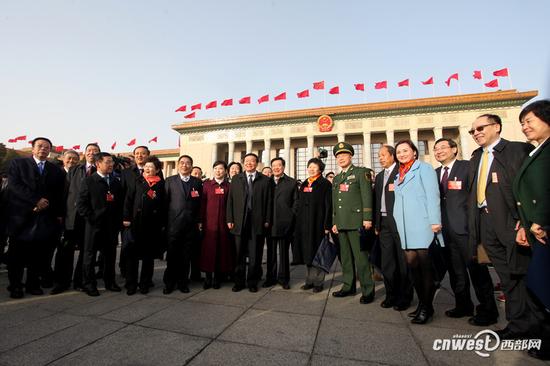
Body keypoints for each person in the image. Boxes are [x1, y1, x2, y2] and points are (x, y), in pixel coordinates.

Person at [468, 114, 535, 339]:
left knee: (520, 274)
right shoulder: (477, 156)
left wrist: (525, 220)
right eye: (472, 131)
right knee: (506, 277)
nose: (476, 133)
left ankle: (532, 325)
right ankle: (518, 325)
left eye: (480, 128)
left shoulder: (517, 150)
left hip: (511, 222)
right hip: (486, 222)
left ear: (496, 127)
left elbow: (529, 187)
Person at [434, 138, 498, 325]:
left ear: (454, 149)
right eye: (436, 149)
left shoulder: (468, 167)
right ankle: (463, 305)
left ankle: (488, 310)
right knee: (456, 271)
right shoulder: (435, 173)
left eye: (443, 148)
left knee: (478, 271)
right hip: (445, 232)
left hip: (470, 231)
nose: (439, 151)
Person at [512, 100, 550, 360]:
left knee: (540, 284)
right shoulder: (537, 151)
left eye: (529, 121)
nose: (525, 127)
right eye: (522, 123)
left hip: (544, 228)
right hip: (534, 227)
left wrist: (538, 219)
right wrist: (523, 222)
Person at [6, 137, 65, 299]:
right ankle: (15, 285)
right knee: (16, 255)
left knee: (38, 255)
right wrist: (35, 201)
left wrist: (47, 205)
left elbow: (58, 193)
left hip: (45, 218)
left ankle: (33, 283)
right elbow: (14, 186)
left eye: (47, 147)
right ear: (32, 149)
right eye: (39, 146)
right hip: (21, 216)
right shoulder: (18, 164)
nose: (43, 149)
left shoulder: (55, 170)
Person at [393, 139, 442, 324]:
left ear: (414, 152)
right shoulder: (400, 174)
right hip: (406, 227)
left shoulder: (424, 168)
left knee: (425, 268)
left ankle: (427, 308)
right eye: (399, 152)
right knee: (413, 268)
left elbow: (432, 194)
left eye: (405, 150)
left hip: (422, 224)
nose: (402, 154)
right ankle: (422, 304)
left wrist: (435, 221)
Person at [52, 143, 100, 294]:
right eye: (89, 150)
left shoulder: (101, 171)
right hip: (72, 216)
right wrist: (61, 214)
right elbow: (65, 193)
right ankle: (62, 282)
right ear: (84, 153)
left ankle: (81, 281)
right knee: (65, 250)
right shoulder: (74, 170)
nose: (92, 153)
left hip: (90, 218)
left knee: (87, 251)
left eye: (95, 151)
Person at [331, 142, 375, 304]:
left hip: (357, 222)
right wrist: (334, 222)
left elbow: (366, 196)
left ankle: (368, 290)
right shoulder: (337, 178)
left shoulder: (360, 173)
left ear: (350, 156)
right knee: (346, 258)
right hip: (342, 223)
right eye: (338, 156)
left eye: (344, 155)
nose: (341, 158)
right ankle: (348, 286)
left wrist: (367, 218)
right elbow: (335, 202)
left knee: (361, 258)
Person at [77, 152, 124, 296]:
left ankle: (110, 282)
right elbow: (81, 204)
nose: (111, 165)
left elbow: (119, 203)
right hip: (94, 226)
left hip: (111, 226)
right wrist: (92, 218)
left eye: (112, 162)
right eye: (108, 162)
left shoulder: (116, 182)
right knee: (90, 256)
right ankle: (89, 284)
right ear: (98, 164)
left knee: (109, 255)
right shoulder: (89, 181)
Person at [226, 153, 272, 292]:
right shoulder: (236, 179)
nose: (249, 163)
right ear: (243, 163)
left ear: (257, 163)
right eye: (246, 161)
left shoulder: (264, 180)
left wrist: (267, 219)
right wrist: (230, 218)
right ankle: (239, 281)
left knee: (255, 253)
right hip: (239, 221)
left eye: (252, 161)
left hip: (257, 222)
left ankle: (252, 281)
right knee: (239, 253)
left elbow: (269, 202)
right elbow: (230, 200)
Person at [374, 145, 413, 311]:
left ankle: (405, 297)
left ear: (392, 156)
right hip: (383, 223)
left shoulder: (402, 171)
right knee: (387, 261)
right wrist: (377, 223)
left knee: (403, 261)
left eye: (383, 155)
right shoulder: (380, 176)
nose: (380, 158)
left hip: (399, 221)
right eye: (379, 156)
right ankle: (391, 294)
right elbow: (376, 200)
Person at [122, 156, 165, 295]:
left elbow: (164, 204)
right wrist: (126, 217)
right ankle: (131, 284)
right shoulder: (137, 181)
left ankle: (145, 283)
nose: (147, 169)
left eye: (151, 167)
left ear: (157, 170)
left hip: (152, 225)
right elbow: (128, 200)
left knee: (148, 257)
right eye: (146, 166)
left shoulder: (161, 185)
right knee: (132, 256)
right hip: (135, 223)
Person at [163, 155, 202, 294]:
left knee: (186, 257)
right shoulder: (169, 181)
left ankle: (183, 283)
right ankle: (169, 283)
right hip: (173, 226)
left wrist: (198, 221)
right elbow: (165, 203)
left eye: (188, 163)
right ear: (178, 165)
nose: (185, 165)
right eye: (182, 163)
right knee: (172, 257)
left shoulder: (197, 182)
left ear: (191, 166)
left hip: (190, 226)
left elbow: (199, 204)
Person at [295, 158, 332, 292]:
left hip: (318, 224)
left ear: (320, 169)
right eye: (309, 167)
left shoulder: (325, 184)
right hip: (304, 225)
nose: (311, 169)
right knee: (308, 253)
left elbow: (329, 205)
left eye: (314, 167)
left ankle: (318, 282)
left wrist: (327, 225)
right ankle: (309, 280)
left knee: (319, 253)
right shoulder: (305, 183)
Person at [265, 157, 298, 289]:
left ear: (283, 167)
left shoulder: (291, 182)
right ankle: (270, 278)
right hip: (269, 223)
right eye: (274, 166)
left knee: (284, 253)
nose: (276, 168)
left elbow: (296, 201)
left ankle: (284, 279)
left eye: (279, 165)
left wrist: (291, 215)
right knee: (270, 253)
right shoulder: (267, 182)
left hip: (285, 222)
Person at [200, 161, 233, 289]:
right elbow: (202, 205)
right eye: (216, 168)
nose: (218, 171)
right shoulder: (207, 185)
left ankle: (217, 278)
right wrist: (200, 221)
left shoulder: (229, 186)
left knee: (222, 251)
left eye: (221, 169)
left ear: (225, 171)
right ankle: (208, 278)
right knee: (208, 251)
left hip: (224, 225)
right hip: (209, 224)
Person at [119, 146, 151, 278]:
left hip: (146, 217)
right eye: (137, 154)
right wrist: (125, 216)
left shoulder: (155, 172)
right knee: (128, 246)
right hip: (129, 216)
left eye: (143, 154)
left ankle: (145, 279)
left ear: (148, 155)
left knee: (145, 249)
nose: (140, 156)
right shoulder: (126, 172)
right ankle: (126, 273)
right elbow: (122, 195)